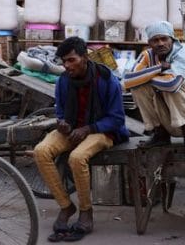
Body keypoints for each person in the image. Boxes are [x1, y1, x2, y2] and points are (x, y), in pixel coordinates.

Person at [33, 37, 129, 242]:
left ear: (84, 58)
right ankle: (66, 206)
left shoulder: (106, 79)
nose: (67, 66)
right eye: (64, 62)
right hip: (73, 130)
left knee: (77, 158)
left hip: (103, 132)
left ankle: (86, 212)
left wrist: (89, 128)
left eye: (71, 60)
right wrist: (63, 123)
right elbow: (60, 110)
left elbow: (117, 118)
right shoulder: (63, 81)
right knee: (41, 151)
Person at [124, 21, 185, 154]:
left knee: (173, 85)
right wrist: (158, 68)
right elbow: (127, 81)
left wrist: (145, 78)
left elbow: (172, 83)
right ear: (149, 43)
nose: (160, 43)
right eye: (155, 40)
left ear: (172, 39)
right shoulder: (147, 55)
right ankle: (159, 133)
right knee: (138, 88)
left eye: (164, 39)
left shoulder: (183, 51)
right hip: (169, 122)